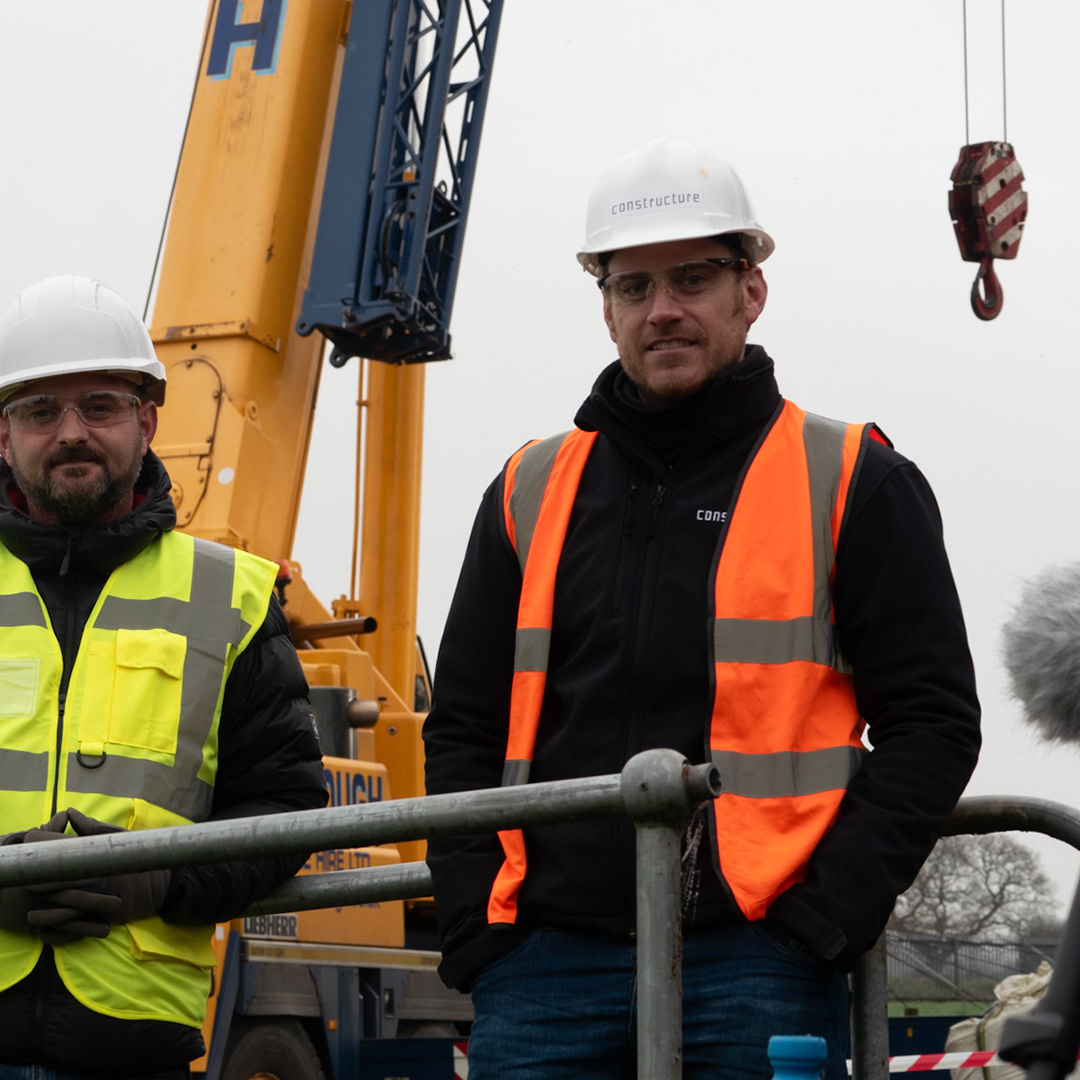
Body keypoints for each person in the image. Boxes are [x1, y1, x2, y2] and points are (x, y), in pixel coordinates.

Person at [422, 139, 982, 1079]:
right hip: (544, 967)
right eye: (633, 287)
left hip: (759, 957)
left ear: (750, 292)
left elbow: (935, 722)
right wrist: (481, 926)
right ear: (605, 309)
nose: (663, 310)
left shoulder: (854, 479)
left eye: (692, 279)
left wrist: (825, 918)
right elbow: (464, 726)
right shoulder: (528, 488)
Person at [0, 274, 327, 1078]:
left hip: (131, 1047)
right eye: (41, 411)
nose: (72, 432)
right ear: (3, 436)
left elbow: (285, 804)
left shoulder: (234, 597)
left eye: (100, 407)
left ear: (147, 422)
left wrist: (160, 880)